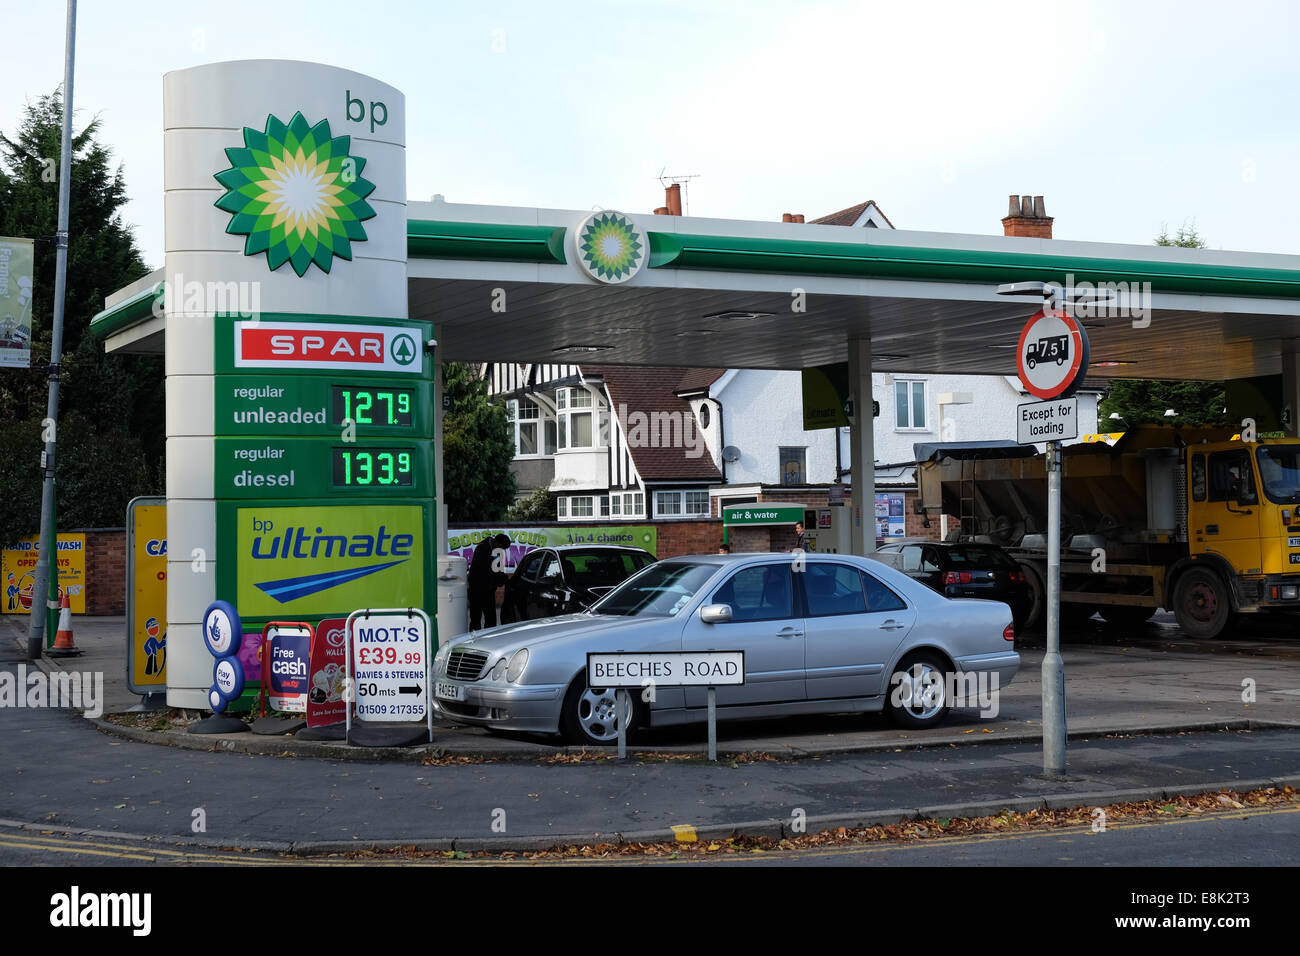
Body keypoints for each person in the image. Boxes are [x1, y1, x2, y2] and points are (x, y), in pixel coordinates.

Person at [468, 533, 511, 630]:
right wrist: (500, 579)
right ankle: (473, 641)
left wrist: (503, 579)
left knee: (491, 619)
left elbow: (498, 570)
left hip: (489, 590)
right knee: (475, 619)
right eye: (502, 547)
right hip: (477, 589)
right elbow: (485, 571)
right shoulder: (482, 548)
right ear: (497, 542)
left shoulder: (498, 551)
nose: (502, 550)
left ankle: (490, 641)